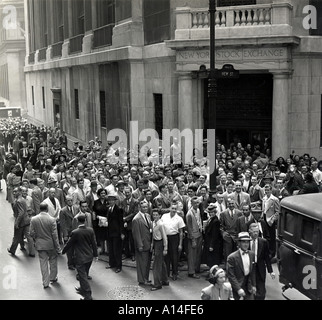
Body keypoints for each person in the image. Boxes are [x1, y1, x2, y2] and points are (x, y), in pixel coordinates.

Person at [62, 213, 98, 300]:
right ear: (85, 221)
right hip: (89, 257)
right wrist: (95, 255)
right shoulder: (90, 230)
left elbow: (69, 244)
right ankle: (83, 289)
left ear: (77, 221)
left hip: (80, 258)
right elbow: (94, 243)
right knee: (84, 274)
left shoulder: (75, 232)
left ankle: (88, 294)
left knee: (82, 276)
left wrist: (63, 251)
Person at [29, 203, 62, 289]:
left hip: (40, 245)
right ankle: (53, 277)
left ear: (40, 209)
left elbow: (31, 233)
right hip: (50, 245)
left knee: (43, 263)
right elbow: (55, 235)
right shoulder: (52, 219)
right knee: (53, 261)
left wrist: (36, 239)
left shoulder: (34, 219)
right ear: (47, 209)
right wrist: (58, 248)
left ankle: (45, 282)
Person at [248, 223, 275, 300]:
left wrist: (271, 271)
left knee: (261, 292)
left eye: (257, 231)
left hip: (260, 268)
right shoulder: (245, 242)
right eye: (254, 232)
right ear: (249, 231)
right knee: (250, 289)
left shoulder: (263, 242)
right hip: (249, 268)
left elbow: (267, 258)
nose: (256, 233)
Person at [227, 232, 256, 300]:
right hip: (237, 285)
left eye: (247, 242)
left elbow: (253, 272)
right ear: (239, 243)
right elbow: (231, 275)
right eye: (244, 242)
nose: (246, 244)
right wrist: (238, 289)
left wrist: (254, 285)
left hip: (248, 286)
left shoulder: (252, 254)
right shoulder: (232, 257)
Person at [7, 187, 35, 257]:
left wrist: (17, 222)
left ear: (19, 192)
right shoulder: (22, 199)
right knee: (29, 237)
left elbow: (21, 212)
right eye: (13, 192)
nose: (14, 193)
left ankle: (12, 250)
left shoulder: (18, 201)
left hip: (21, 222)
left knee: (16, 237)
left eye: (15, 192)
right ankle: (32, 252)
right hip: (27, 221)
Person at [161, 202, 185, 281]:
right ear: (170, 208)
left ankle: (174, 273)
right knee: (166, 256)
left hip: (174, 238)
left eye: (175, 209)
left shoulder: (179, 218)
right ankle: (166, 273)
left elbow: (181, 232)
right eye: (172, 208)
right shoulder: (164, 216)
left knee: (174, 256)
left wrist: (180, 244)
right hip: (165, 237)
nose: (174, 210)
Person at [132, 200, 153, 286]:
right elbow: (136, 234)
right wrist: (140, 245)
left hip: (148, 242)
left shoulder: (148, 215)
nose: (145, 208)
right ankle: (142, 280)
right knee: (141, 263)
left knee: (147, 263)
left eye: (146, 207)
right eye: (143, 207)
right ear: (139, 208)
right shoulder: (136, 219)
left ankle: (146, 278)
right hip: (142, 244)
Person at [151, 209, 169, 291]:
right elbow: (153, 236)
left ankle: (157, 284)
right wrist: (152, 245)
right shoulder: (153, 223)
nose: (155, 216)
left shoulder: (161, 224)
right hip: (155, 243)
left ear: (159, 215)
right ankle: (165, 280)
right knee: (161, 263)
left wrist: (165, 248)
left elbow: (165, 237)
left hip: (160, 243)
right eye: (153, 215)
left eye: (156, 215)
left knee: (156, 265)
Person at [106, 194, 125, 273]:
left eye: (112, 200)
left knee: (117, 250)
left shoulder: (118, 209)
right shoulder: (109, 209)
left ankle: (118, 266)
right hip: (110, 232)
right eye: (109, 200)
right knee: (111, 249)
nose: (110, 202)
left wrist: (122, 233)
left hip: (117, 232)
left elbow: (121, 222)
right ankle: (112, 263)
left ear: (115, 201)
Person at [186, 196, 203, 279]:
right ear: (191, 204)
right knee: (192, 255)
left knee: (197, 254)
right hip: (193, 236)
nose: (197, 204)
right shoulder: (189, 214)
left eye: (198, 203)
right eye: (195, 203)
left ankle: (196, 269)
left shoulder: (198, 210)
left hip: (199, 234)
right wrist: (192, 240)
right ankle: (191, 272)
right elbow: (189, 228)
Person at [202, 203, 223, 270]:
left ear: (215, 213)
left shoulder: (215, 221)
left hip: (213, 244)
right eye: (210, 213)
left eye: (212, 212)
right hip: (208, 242)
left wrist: (211, 245)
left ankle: (213, 273)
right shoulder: (211, 219)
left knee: (213, 260)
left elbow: (215, 235)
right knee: (210, 260)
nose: (211, 214)